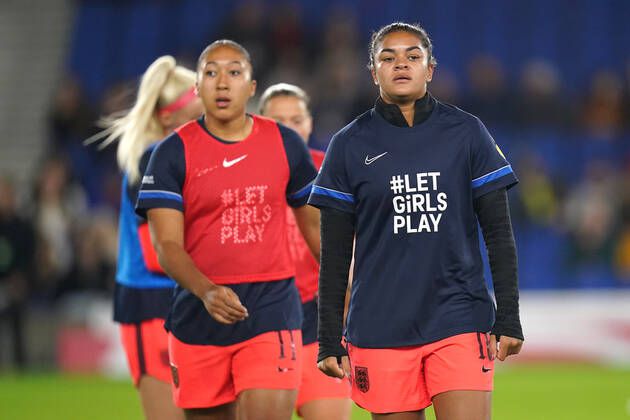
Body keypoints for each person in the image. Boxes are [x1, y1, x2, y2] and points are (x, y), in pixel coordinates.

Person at [309, 22, 524, 420]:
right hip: (379, 324)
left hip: (459, 316)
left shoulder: (467, 132)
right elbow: (334, 255)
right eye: (388, 57)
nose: (401, 64)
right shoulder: (348, 145)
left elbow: (498, 234)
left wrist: (508, 314)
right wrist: (328, 337)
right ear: (373, 73)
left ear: (430, 69)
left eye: (413, 56)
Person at [136, 40, 320, 420]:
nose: (222, 83)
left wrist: (350, 282)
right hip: (197, 315)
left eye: (234, 72)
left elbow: (316, 228)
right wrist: (206, 290)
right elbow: (166, 245)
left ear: (251, 87)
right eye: (211, 73)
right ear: (197, 86)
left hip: (271, 310)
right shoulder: (170, 154)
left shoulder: (285, 144)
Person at [89, 55, 203, 420]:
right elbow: (157, 255)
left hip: (186, 299)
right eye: (197, 115)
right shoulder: (153, 161)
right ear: (168, 118)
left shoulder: (182, 160)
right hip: (153, 303)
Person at [259, 83, 352, 420]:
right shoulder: (242, 173)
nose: (289, 130)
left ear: (310, 123)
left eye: (296, 120)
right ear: (259, 124)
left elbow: (353, 245)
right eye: (278, 122)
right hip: (261, 323)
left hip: (319, 321)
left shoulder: (331, 173)